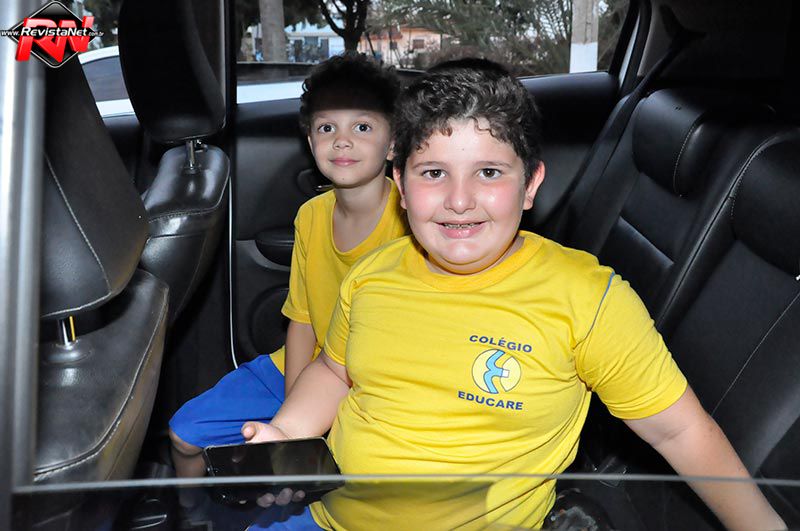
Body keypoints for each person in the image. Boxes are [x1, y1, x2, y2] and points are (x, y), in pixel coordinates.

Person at [241, 59, 787, 530]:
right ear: (401, 187)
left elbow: (679, 429)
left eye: (488, 172)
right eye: (433, 172)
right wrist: (286, 431)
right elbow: (333, 372)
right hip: (327, 517)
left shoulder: (584, 299)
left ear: (530, 185)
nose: (459, 200)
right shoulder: (372, 275)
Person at [168, 52, 408, 481]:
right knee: (185, 434)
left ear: (393, 143)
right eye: (327, 128)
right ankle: (192, 510)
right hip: (300, 368)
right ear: (310, 141)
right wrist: (294, 403)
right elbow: (302, 320)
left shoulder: (410, 224)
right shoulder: (311, 215)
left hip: (371, 381)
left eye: (363, 127)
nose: (342, 141)